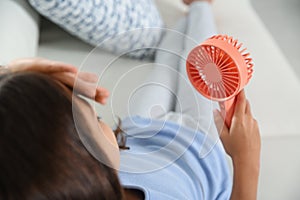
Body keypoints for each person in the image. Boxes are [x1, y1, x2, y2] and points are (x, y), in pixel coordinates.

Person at [0, 1, 261, 200]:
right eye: (98, 119)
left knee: (167, 59)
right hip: (201, 146)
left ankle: (188, 13)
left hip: (143, 130)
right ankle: (201, 5)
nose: (100, 113)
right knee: (199, 52)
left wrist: (18, 73)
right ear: (84, 172)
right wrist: (247, 160)